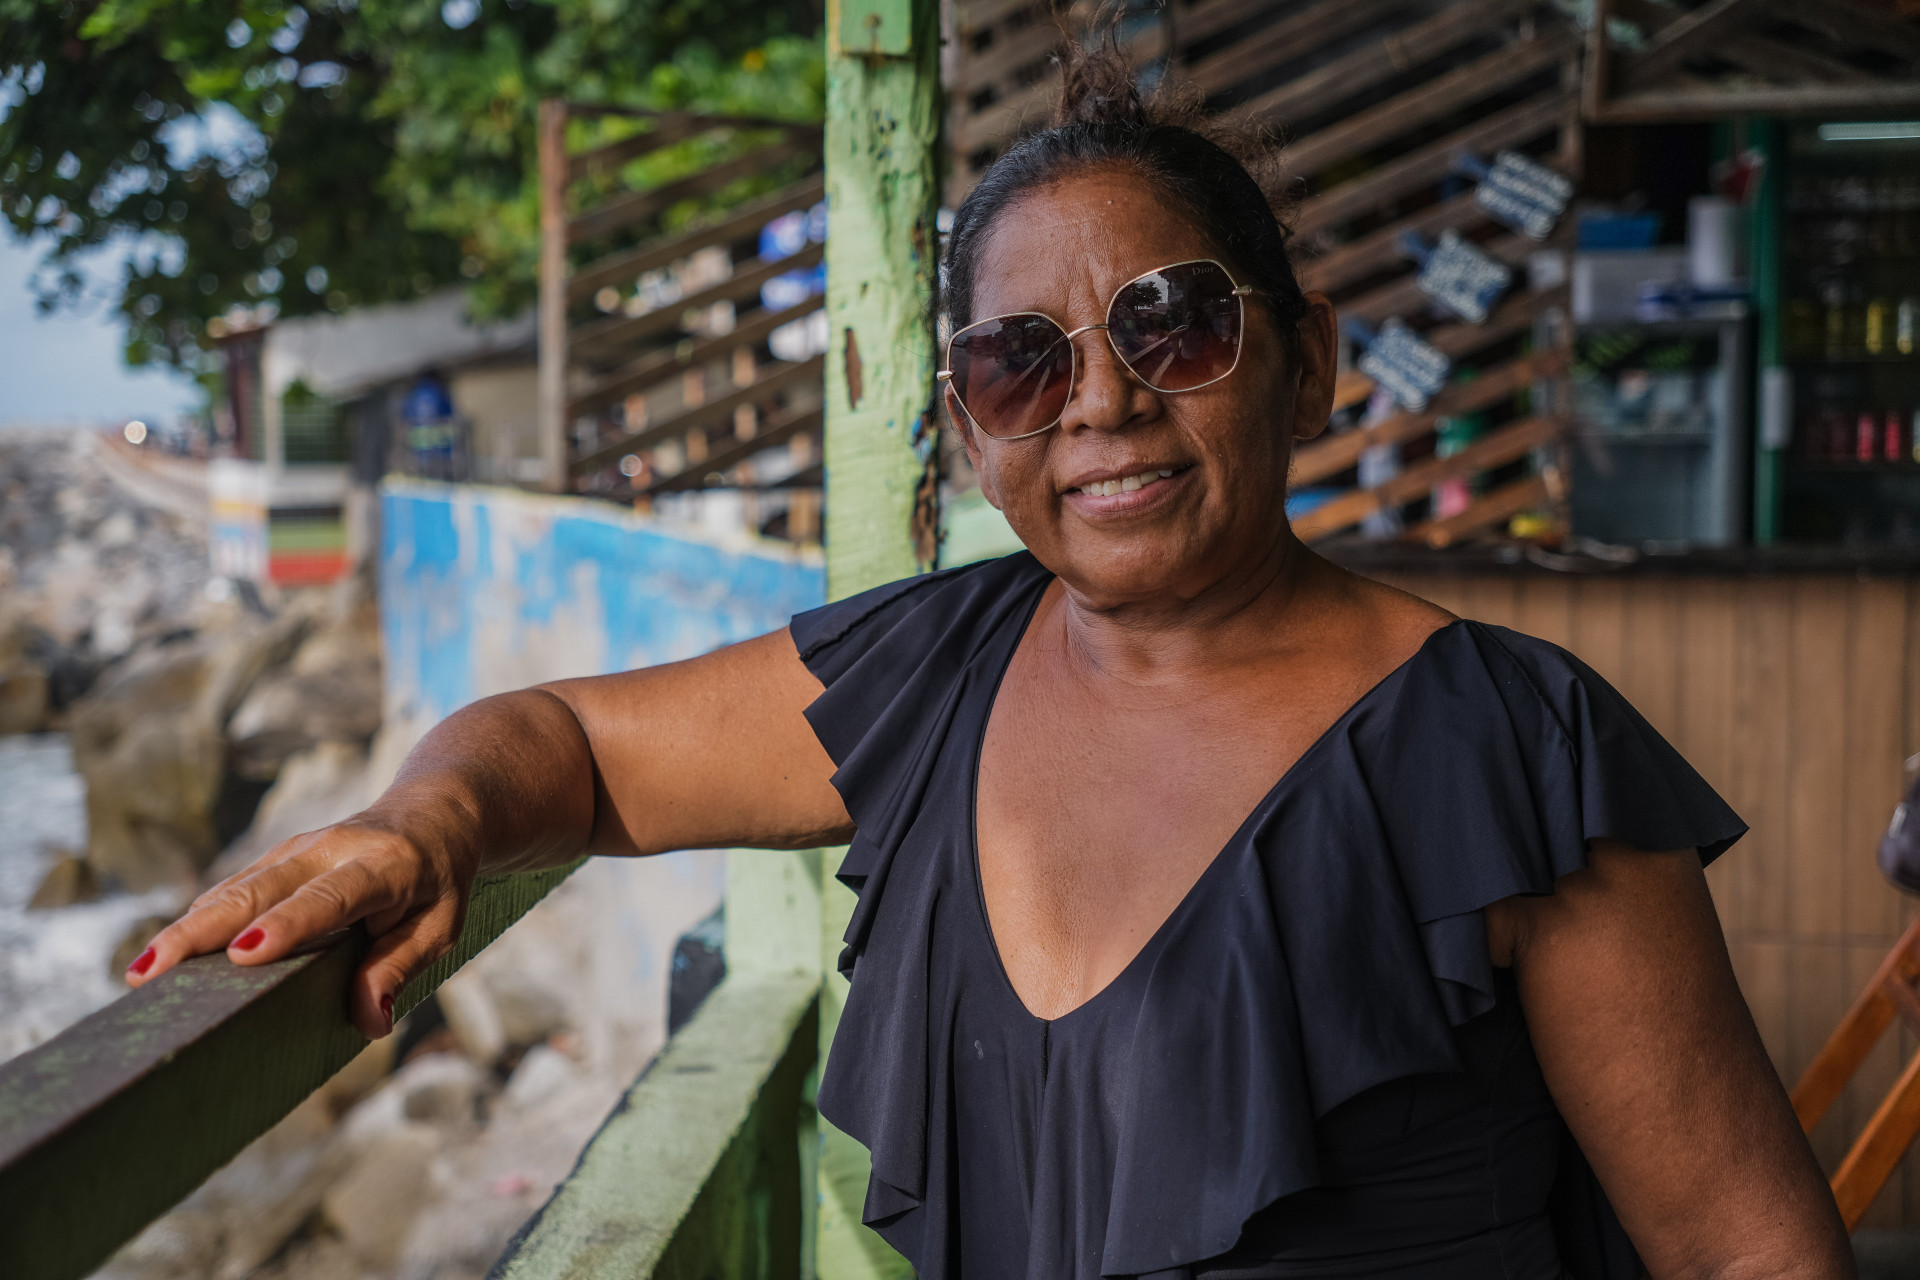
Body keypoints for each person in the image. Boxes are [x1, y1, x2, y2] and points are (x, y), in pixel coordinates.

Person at [130, 45, 1852, 1280]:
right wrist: (428, 825)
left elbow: (1739, 1243)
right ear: (969, 428)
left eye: (1173, 323)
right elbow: (568, 742)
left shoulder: (1514, 755)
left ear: (1303, 361)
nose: (1102, 400)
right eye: (1023, 364)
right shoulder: (927, 680)